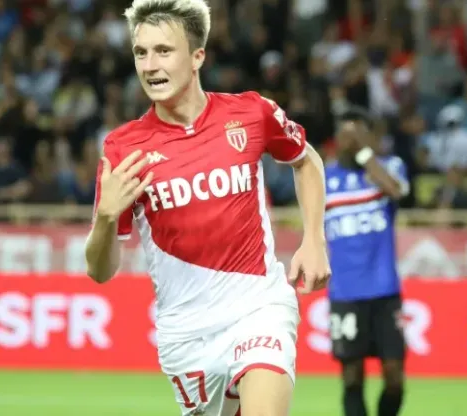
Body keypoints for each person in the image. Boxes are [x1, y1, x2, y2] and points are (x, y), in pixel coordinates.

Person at [84, 1, 330, 415]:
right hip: (187, 335)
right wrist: (106, 218)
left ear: (197, 56)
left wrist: (314, 240)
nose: (150, 65)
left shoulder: (251, 113)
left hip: (259, 306)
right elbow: (100, 271)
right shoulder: (123, 149)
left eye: (164, 51)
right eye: (141, 53)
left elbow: (306, 161)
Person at [324, 110, 409, 416]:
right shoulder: (323, 178)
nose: (350, 140)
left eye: (357, 133)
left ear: (369, 137)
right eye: (345, 134)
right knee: (352, 377)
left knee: (394, 377)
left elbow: (397, 191)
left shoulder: (389, 167)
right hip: (345, 293)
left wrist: (364, 152)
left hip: (385, 291)